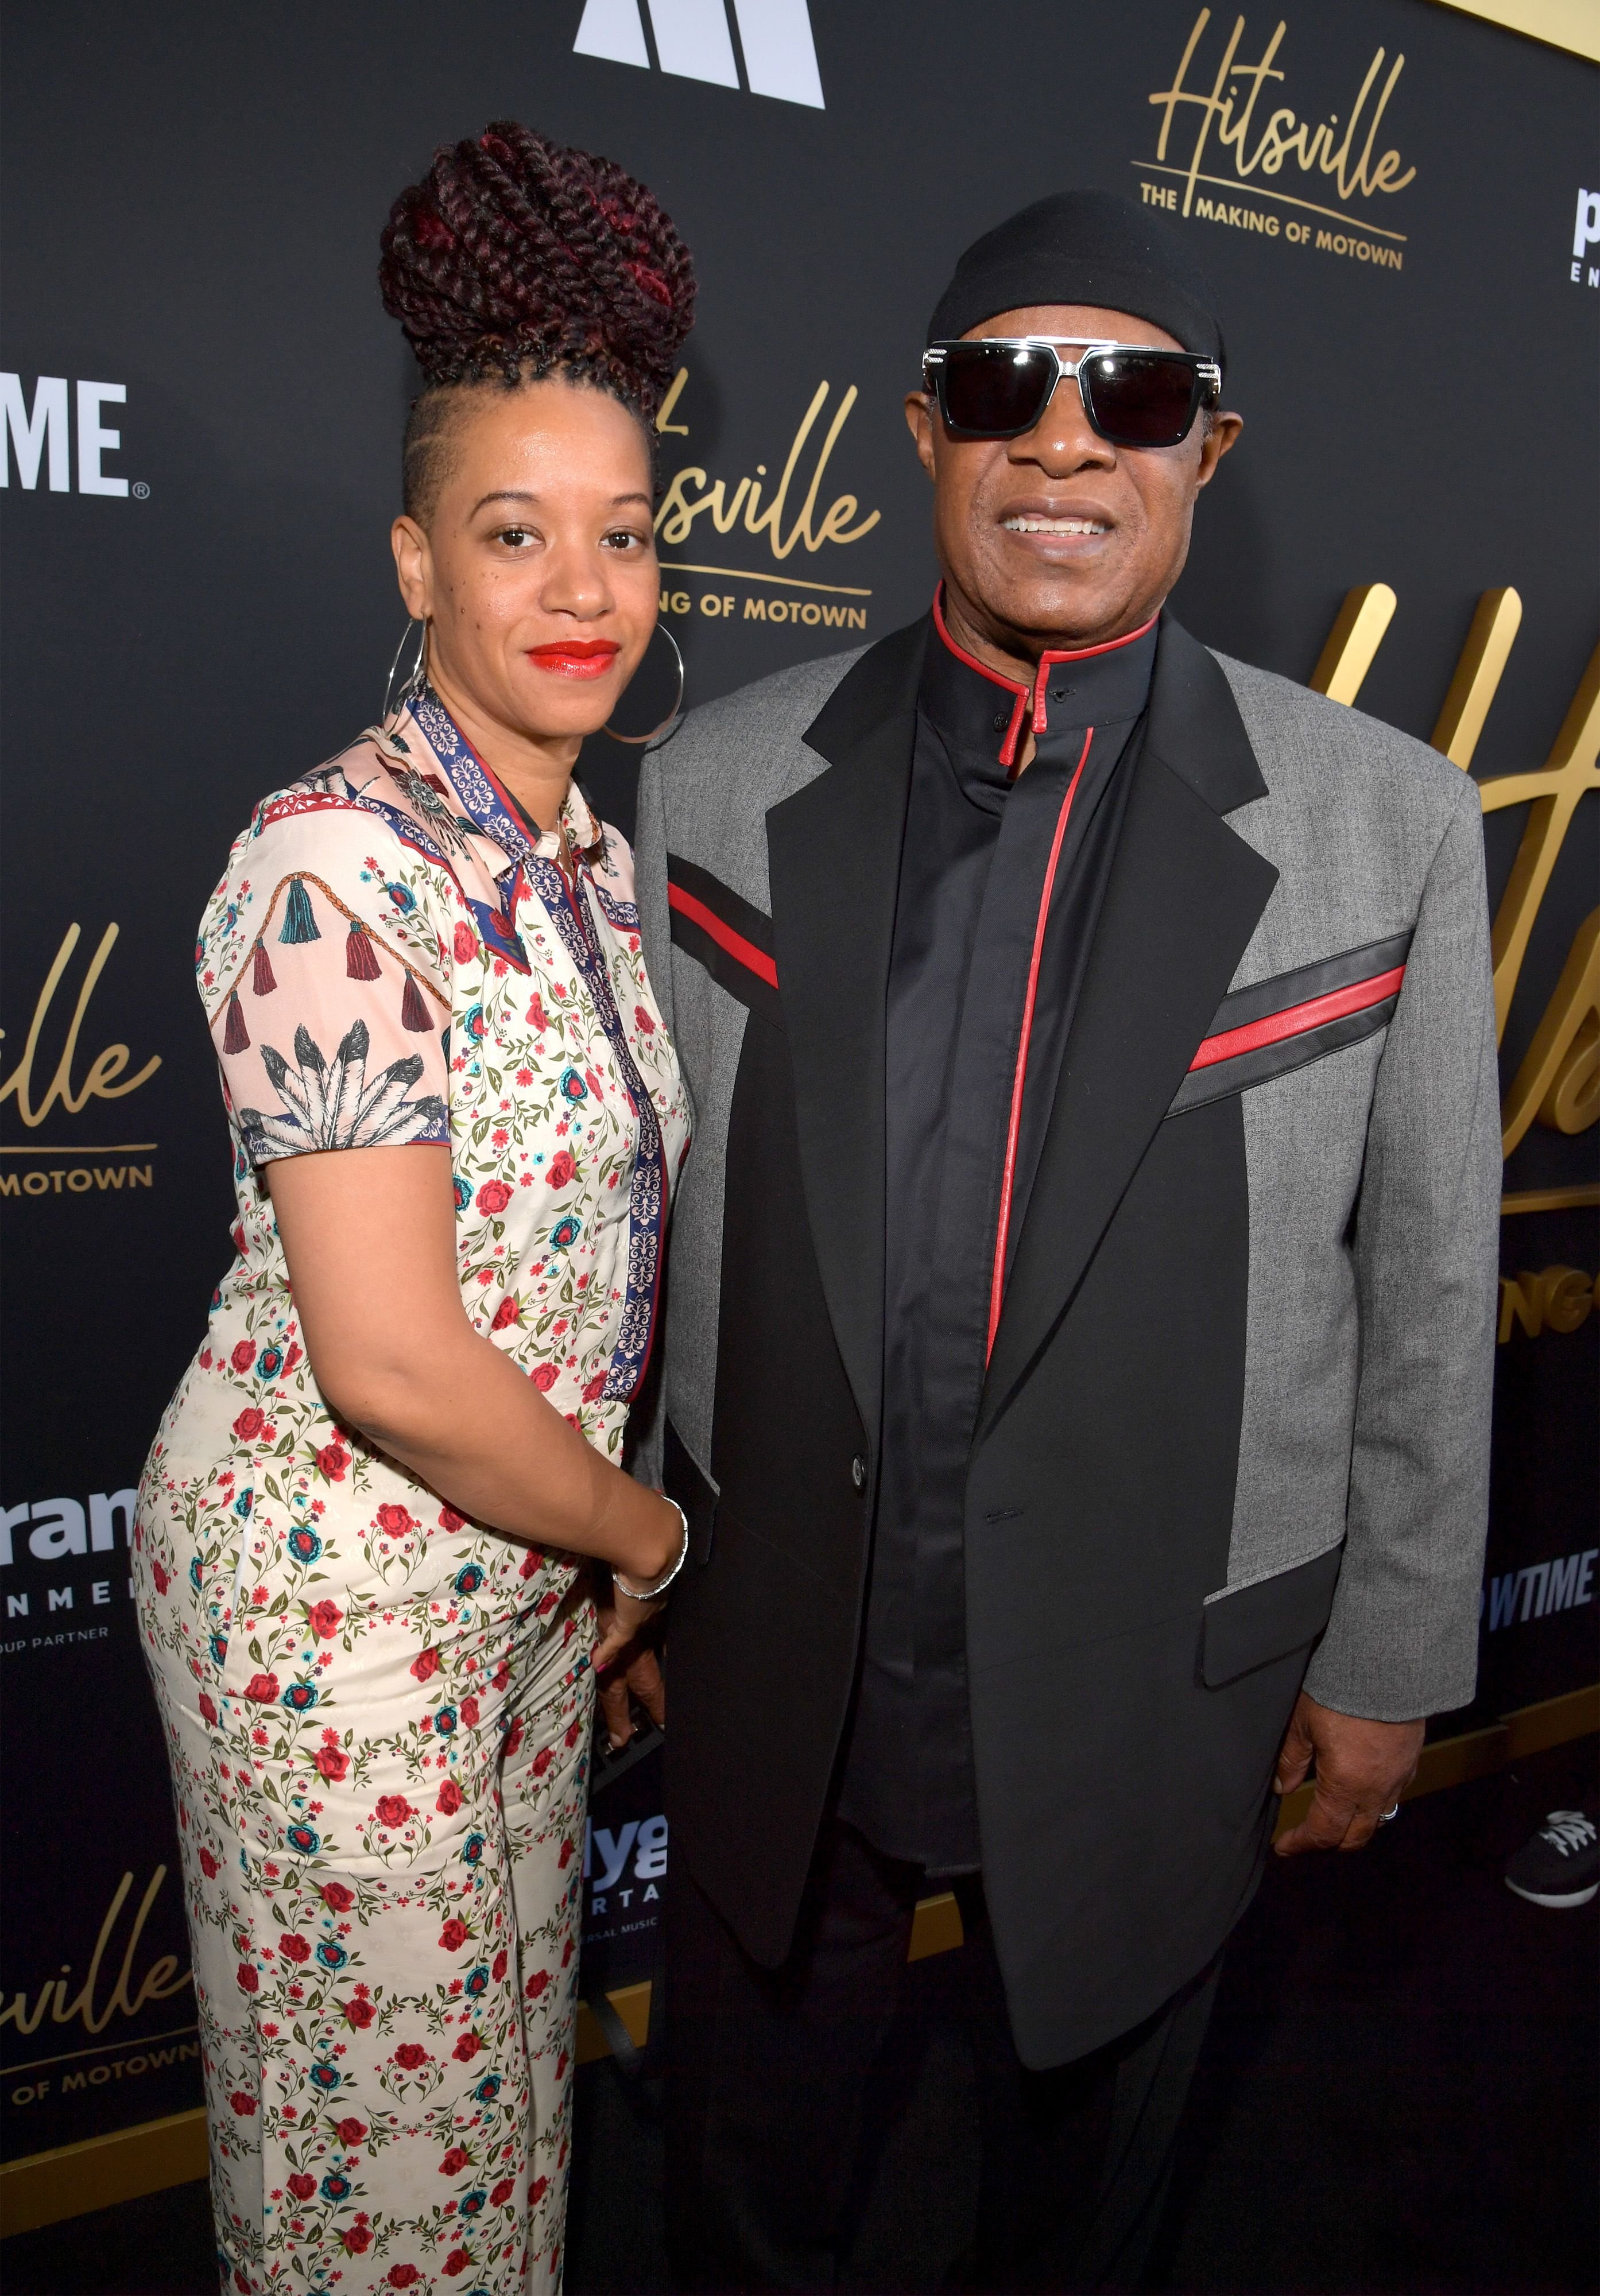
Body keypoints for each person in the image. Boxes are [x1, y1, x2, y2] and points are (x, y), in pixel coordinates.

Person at [633, 191, 1500, 2287]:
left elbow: (1431, 1290)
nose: (1063, 445)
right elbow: (630, 1225)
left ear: (1206, 447)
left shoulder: (1384, 819)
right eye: (1008, 390)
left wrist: (1387, 1665)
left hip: (1151, 1689)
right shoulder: (712, 782)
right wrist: (628, 1552)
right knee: (735, 2185)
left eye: (1131, 398)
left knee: (1083, 2226)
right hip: (786, 1647)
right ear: (925, 432)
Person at [133, 123, 695, 2296]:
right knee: (385, 2207)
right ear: (411, 563)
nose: (581, 593)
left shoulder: (587, 865)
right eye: (513, 534)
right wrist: (649, 1537)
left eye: (624, 538)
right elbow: (387, 1359)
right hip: (337, 1636)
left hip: (520, 1602)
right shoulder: (329, 870)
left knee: (500, 2155)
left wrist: (587, 1570)